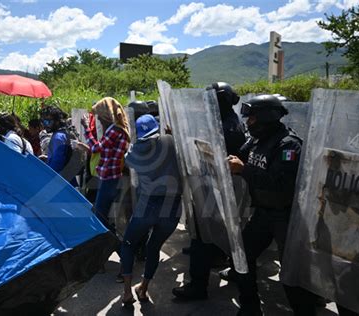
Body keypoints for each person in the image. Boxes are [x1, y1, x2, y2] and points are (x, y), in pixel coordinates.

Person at [227, 95, 316, 315]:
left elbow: (281, 184)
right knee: (242, 258)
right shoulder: (257, 140)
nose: (248, 123)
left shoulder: (288, 145)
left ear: (266, 118)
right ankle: (250, 307)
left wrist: (243, 169)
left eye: (252, 119)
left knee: (291, 273)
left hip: (285, 216)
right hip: (263, 213)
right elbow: (240, 154)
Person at [172, 82, 246, 300]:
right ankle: (223, 263)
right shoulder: (227, 121)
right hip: (215, 188)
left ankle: (197, 287)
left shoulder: (226, 127)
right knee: (212, 237)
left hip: (215, 190)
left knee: (202, 239)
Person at [120, 114, 183, 308]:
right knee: (154, 247)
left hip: (147, 206)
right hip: (172, 207)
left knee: (128, 244)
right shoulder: (171, 141)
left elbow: (127, 162)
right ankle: (144, 289)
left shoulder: (132, 153)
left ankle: (127, 292)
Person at [80, 97, 130, 233]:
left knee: (100, 216)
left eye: (100, 116)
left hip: (109, 179)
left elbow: (96, 148)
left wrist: (86, 129)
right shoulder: (117, 129)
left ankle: (112, 245)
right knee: (103, 215)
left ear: (106, 115)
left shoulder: (114, 130)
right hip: (110, 177)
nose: (99, 120)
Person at [40, 105, 72, 174]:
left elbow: (57, 164)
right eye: (43, 121)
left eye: (48, 122)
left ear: (57, 121)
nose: (45, 125)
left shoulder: (58, 137)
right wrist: (48, 159)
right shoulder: (63, 133)